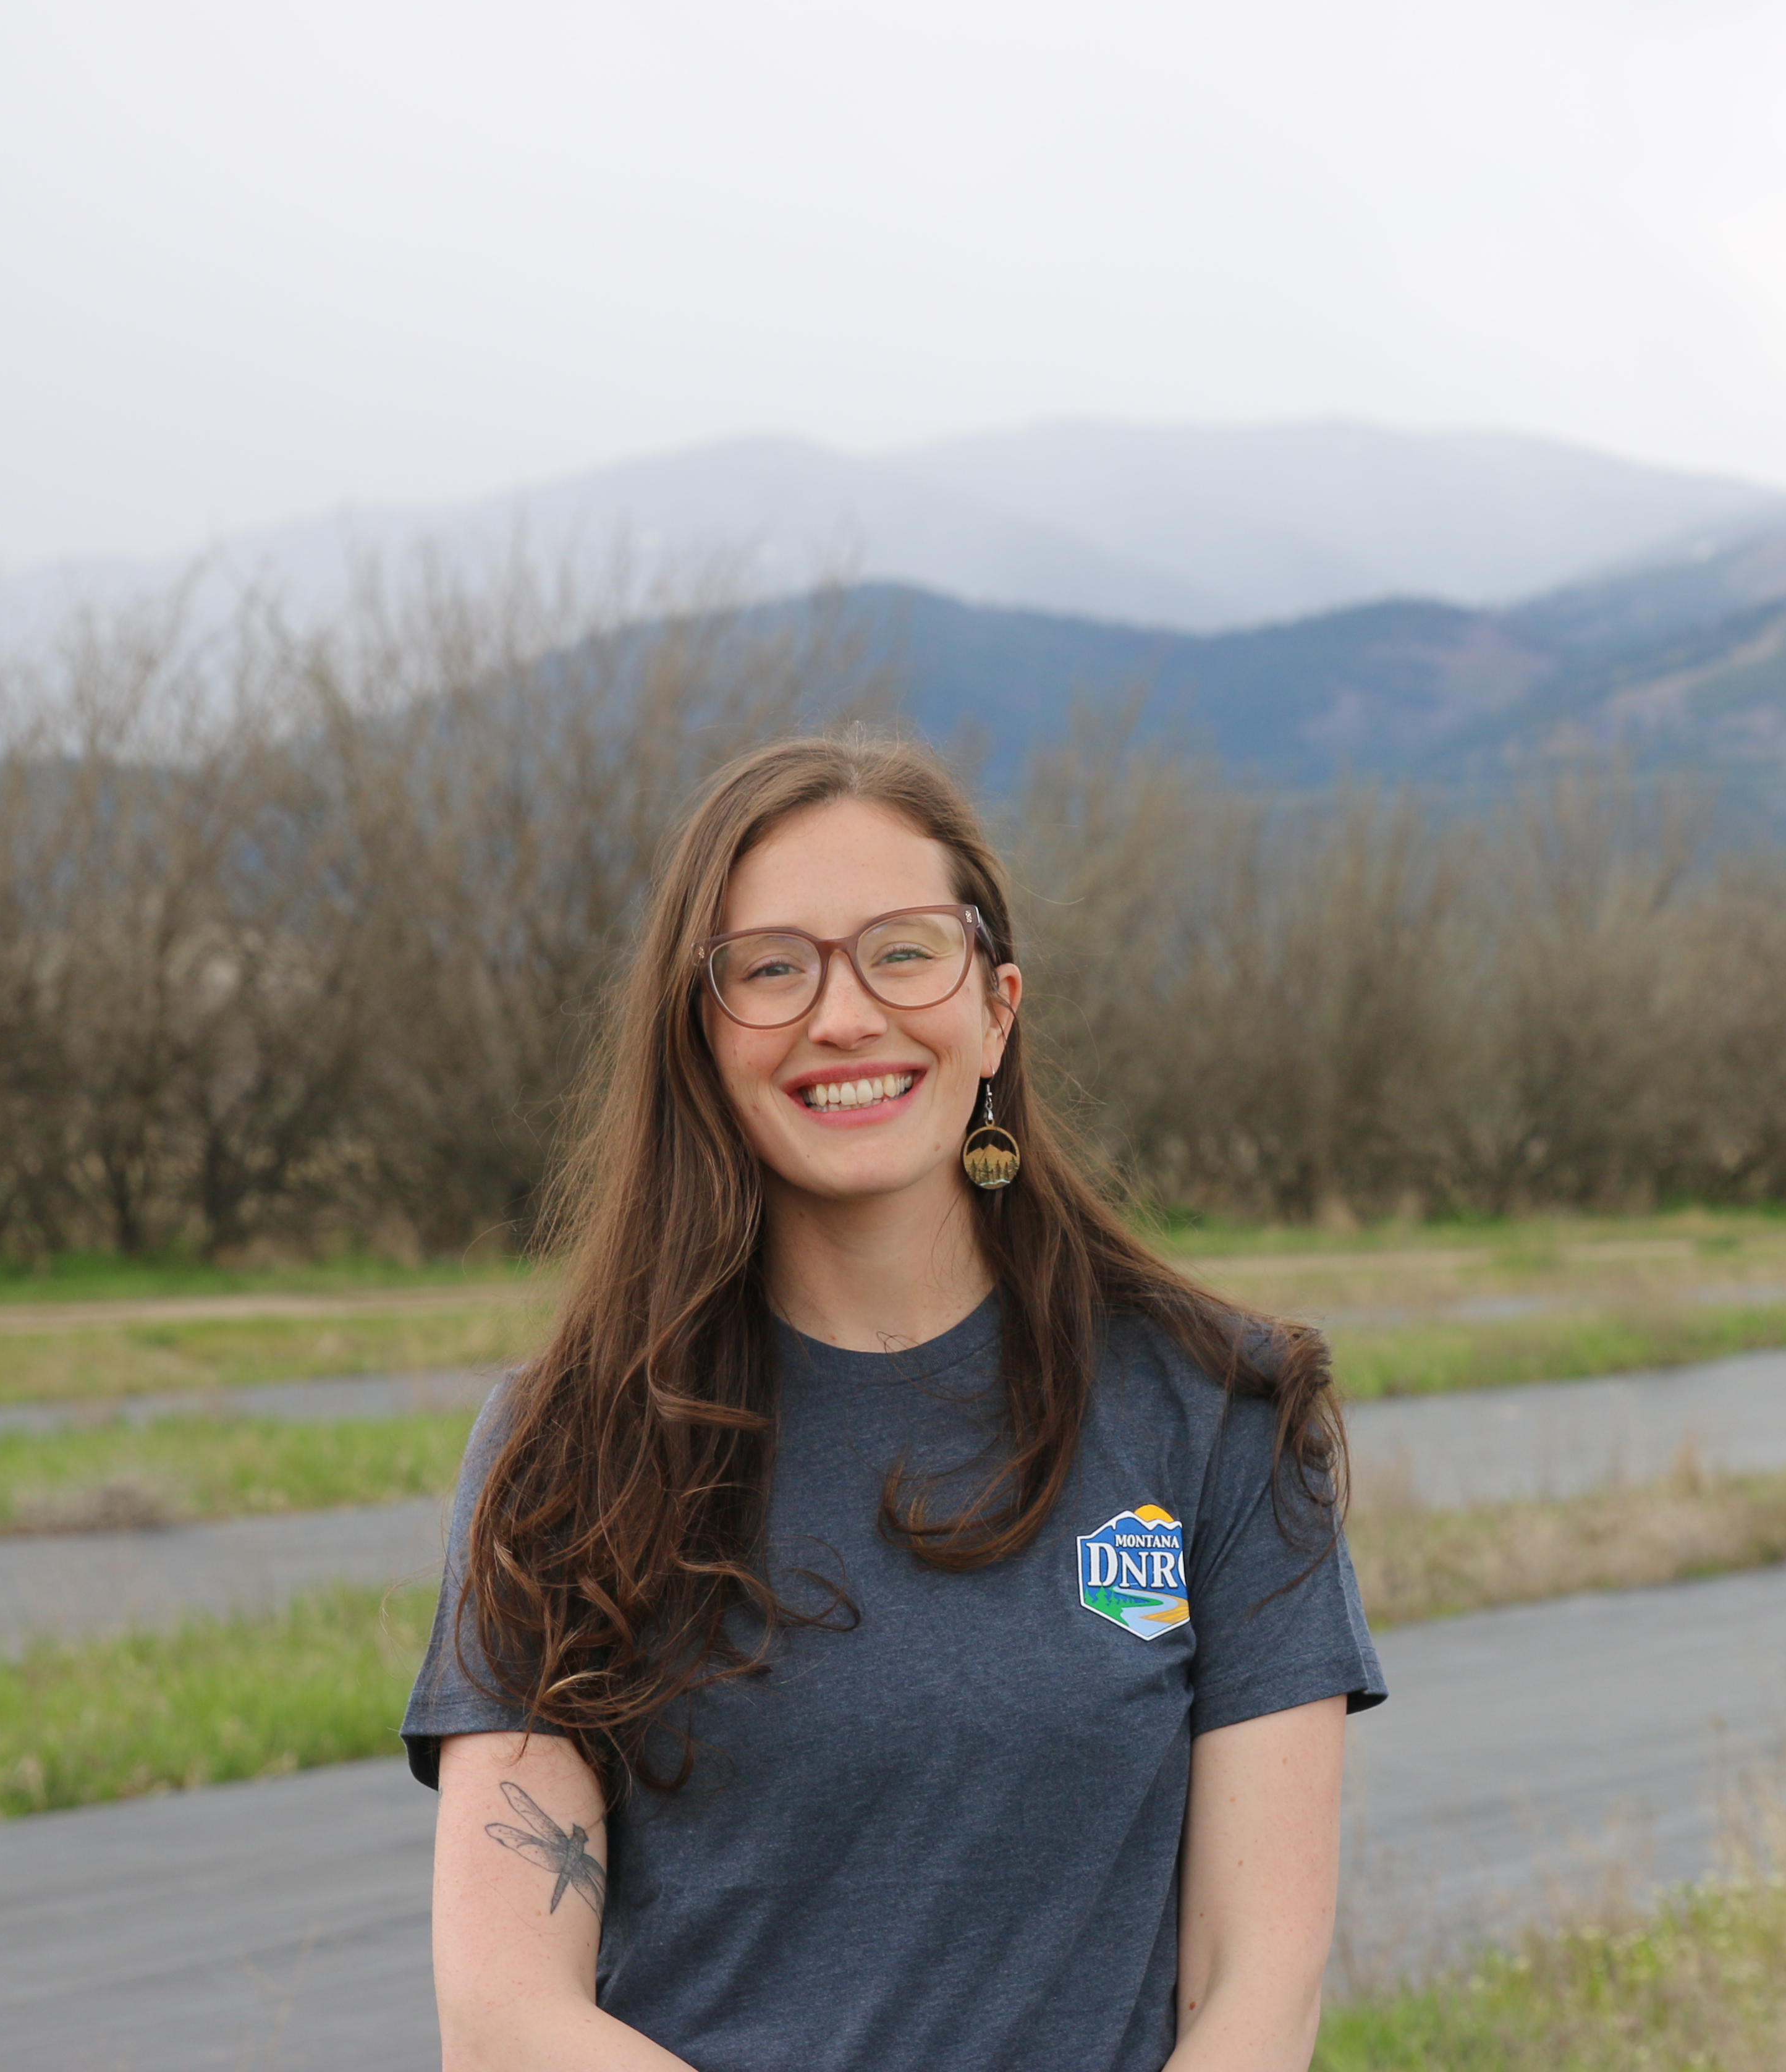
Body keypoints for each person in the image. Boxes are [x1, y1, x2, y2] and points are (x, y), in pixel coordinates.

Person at [404, 735, 1384, 2072]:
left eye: (904, 952)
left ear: (997, 1008)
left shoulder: (1223, 1414)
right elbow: (505, 2015)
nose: (846, 1017)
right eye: (771, 968)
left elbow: (1256, 1981)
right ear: (701, 1035)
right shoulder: (569, 1447)